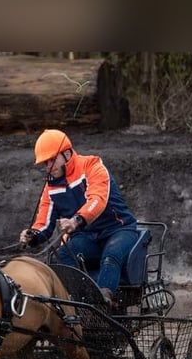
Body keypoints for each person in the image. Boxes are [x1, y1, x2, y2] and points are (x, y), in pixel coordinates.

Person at [19, 128, 138, 306]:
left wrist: (77, 220)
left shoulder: (92, 166)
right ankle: (76, 303)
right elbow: (44, 223)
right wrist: (33, 235)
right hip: (87, 236)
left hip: (118, 230)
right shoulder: (50, 187)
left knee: (111, 256)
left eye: (52, 160)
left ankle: (102, 302)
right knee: (63, 256)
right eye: (45, 163)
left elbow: (98, 199)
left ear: (67, 154)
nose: (49, 167)